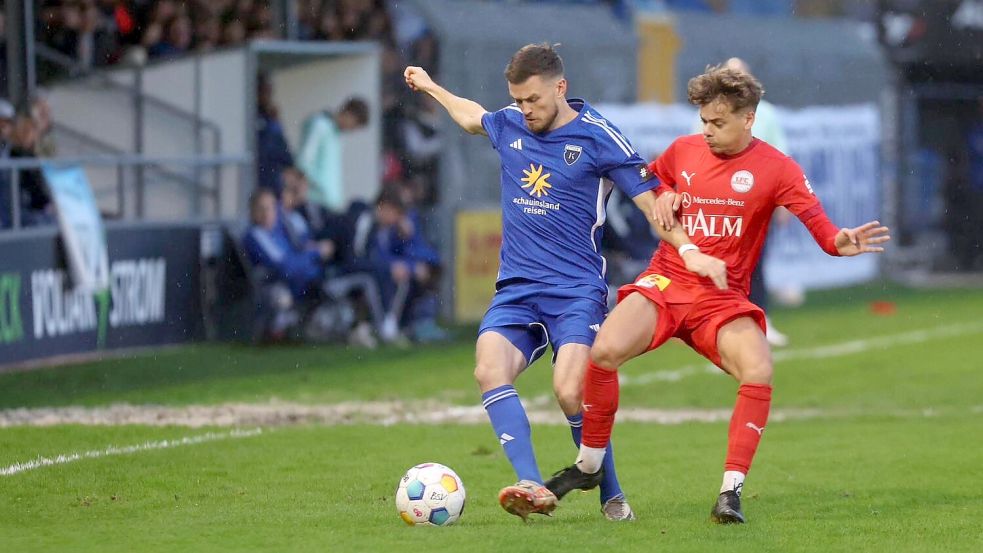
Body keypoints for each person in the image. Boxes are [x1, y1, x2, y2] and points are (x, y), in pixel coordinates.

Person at [545, 64, 890, 524]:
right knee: (603, 351)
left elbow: (823, 232)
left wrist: (839, 242)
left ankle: (730, 493)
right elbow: (649, 182)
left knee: (759, 369)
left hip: (722, 299)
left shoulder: (778, 168)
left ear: (748, 119)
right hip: (667, 283)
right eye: (703, 121)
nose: (706, 132)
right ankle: (588, 466)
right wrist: (664, 193)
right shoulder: (684, 150)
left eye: (718, 123)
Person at [404, 43, 726, 521]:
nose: (524, 110)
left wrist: (691, 249)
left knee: (571, 391)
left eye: (533, 99)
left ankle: (611, 494)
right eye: (517, 100)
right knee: (488, 370)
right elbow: (473, 117)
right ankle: (531, 483)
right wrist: (431, 87)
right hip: (516, 288)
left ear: (561, 88)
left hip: (576, 291)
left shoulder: (599, 138)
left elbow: (649, 203)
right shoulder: (510, 123)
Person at [723, 57, 790, 347]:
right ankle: (723, 324)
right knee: (722, 266)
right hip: (720, 203)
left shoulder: (768, 115)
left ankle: (761, 320)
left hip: (757, 203)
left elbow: (780, 160)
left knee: (756, 264)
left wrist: (782, 201)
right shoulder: (709, 113)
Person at [296, 97, 370, 211]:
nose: (352, 130)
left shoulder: (338, 136)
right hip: (314, 200)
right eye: (354, 125)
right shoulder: (319, 124)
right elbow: (303, 161)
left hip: (331, 205)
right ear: (349, 114)